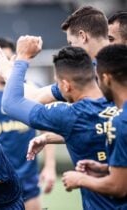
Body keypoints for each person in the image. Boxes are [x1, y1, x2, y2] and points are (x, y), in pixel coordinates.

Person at [0, 35, 121, 209]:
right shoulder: (118, 100)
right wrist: (50, 137)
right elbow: (95, 128)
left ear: (66, 85)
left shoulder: (70, 115)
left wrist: (21, 59)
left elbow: (11, 103)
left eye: (57, 83)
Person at [0, 37, 56, 210]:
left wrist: (50, 166)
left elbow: (46, 129)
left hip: (28, 178)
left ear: (14, 60)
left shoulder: (34, 91)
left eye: (6, 58)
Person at [61, 44, 127, 209]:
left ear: (106, 78)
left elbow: (118, 187)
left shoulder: (120, 122)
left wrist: (80, 179)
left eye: (97, 79)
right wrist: (105, 168)